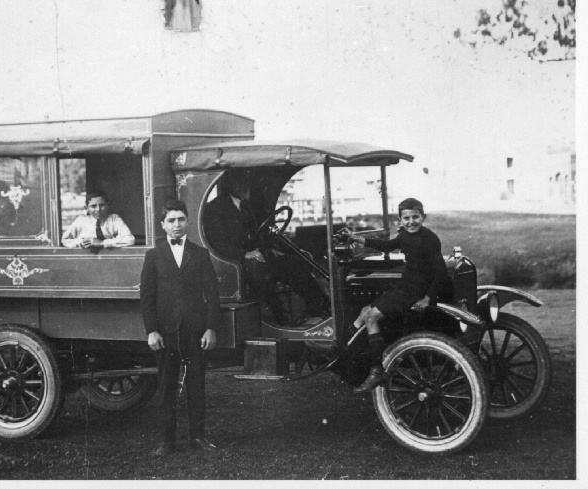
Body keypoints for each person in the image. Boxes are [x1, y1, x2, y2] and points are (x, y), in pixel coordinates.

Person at [141, 199, 220, 457]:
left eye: (181, 219)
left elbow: (212, 295)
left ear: (188, 222)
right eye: (171, 220)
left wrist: (210, 329)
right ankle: (167, 441)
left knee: (197, 386)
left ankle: (198, 437)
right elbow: (147, 297)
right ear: (163, 225)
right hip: (165, 333)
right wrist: (151, 330)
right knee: (166, 388)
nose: (177, 225)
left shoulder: (200, 254)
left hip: (195, 333)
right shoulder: (153, 256)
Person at [347, 197, 449, 393]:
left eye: (415, 217)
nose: (411, 222)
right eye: (406, 218)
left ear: (423, 217)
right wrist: (357, 238)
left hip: (414, 291)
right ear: (400, 220)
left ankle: (377, 370)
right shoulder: (404, 236)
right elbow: (387, 246)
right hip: (405, 286)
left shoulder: (429, 239)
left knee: (371, 317)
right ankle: (341, 351)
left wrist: (428, 298)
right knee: (364, 311)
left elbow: (441, 273)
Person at [203, 170, 328, 326]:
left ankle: (317, 310)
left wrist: (270, 249)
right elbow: (216, 244)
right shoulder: (215, 208)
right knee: (258, 270)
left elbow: (257, 234)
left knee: (293, 263)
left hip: (256, 256)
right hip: (232, 263)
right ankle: (277, 316)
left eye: (246, 181)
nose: (245, 185)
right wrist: (245, 254)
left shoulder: (246, 205)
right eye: (240, 180)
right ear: (230, 183)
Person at [62, 190, 134, 252]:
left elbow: (130, 239)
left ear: (107, 205)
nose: (98, 209)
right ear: (86, 208)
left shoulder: (114, 219)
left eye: (102, 205)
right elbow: (65, 240)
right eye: (93, 206)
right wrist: (81, 242)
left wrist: (102, 243)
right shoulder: (81, 221)